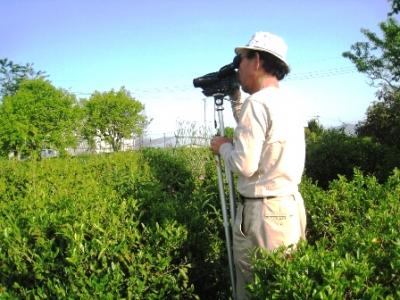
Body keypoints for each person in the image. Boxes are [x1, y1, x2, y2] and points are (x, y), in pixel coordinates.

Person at [210, 31, 307, 300]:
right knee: (283, 286)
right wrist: (236, 98)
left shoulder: (258, 103)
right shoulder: (287, 101)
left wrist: (223, 147)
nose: (238, 66)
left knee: (256, 289)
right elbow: (258, 134)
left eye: (241, 59)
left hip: (263, 214)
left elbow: (244, 163)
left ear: (256, 61)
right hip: (288, 208)